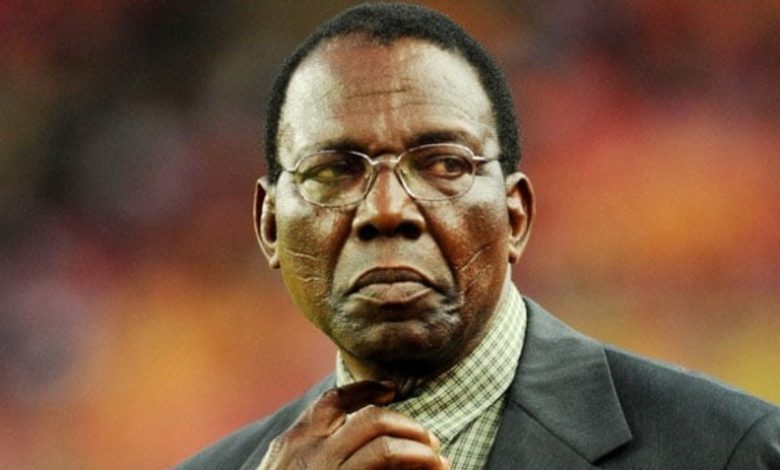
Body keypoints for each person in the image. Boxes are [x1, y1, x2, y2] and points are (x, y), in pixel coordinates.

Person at [177, 3, 780, 469]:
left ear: (515, 217)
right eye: (334, 171)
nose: (386, 210)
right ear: (270, 225)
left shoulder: (731, 450)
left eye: (444, 164)